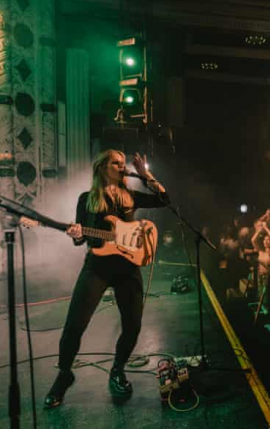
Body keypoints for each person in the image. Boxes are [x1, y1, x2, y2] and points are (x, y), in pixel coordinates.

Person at [44, 150, 169, 408]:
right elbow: (80, 238)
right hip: (97, 268)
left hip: (127, 268)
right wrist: (76, 234)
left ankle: (117, 368)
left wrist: (145, 174)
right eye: (116, 163)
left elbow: (164, 199)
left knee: (133, 326)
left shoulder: (130, 196)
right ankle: (64, 374)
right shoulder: (87, 199)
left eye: (124, 164)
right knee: (74, 326)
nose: (122, 167)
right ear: (103, 167)